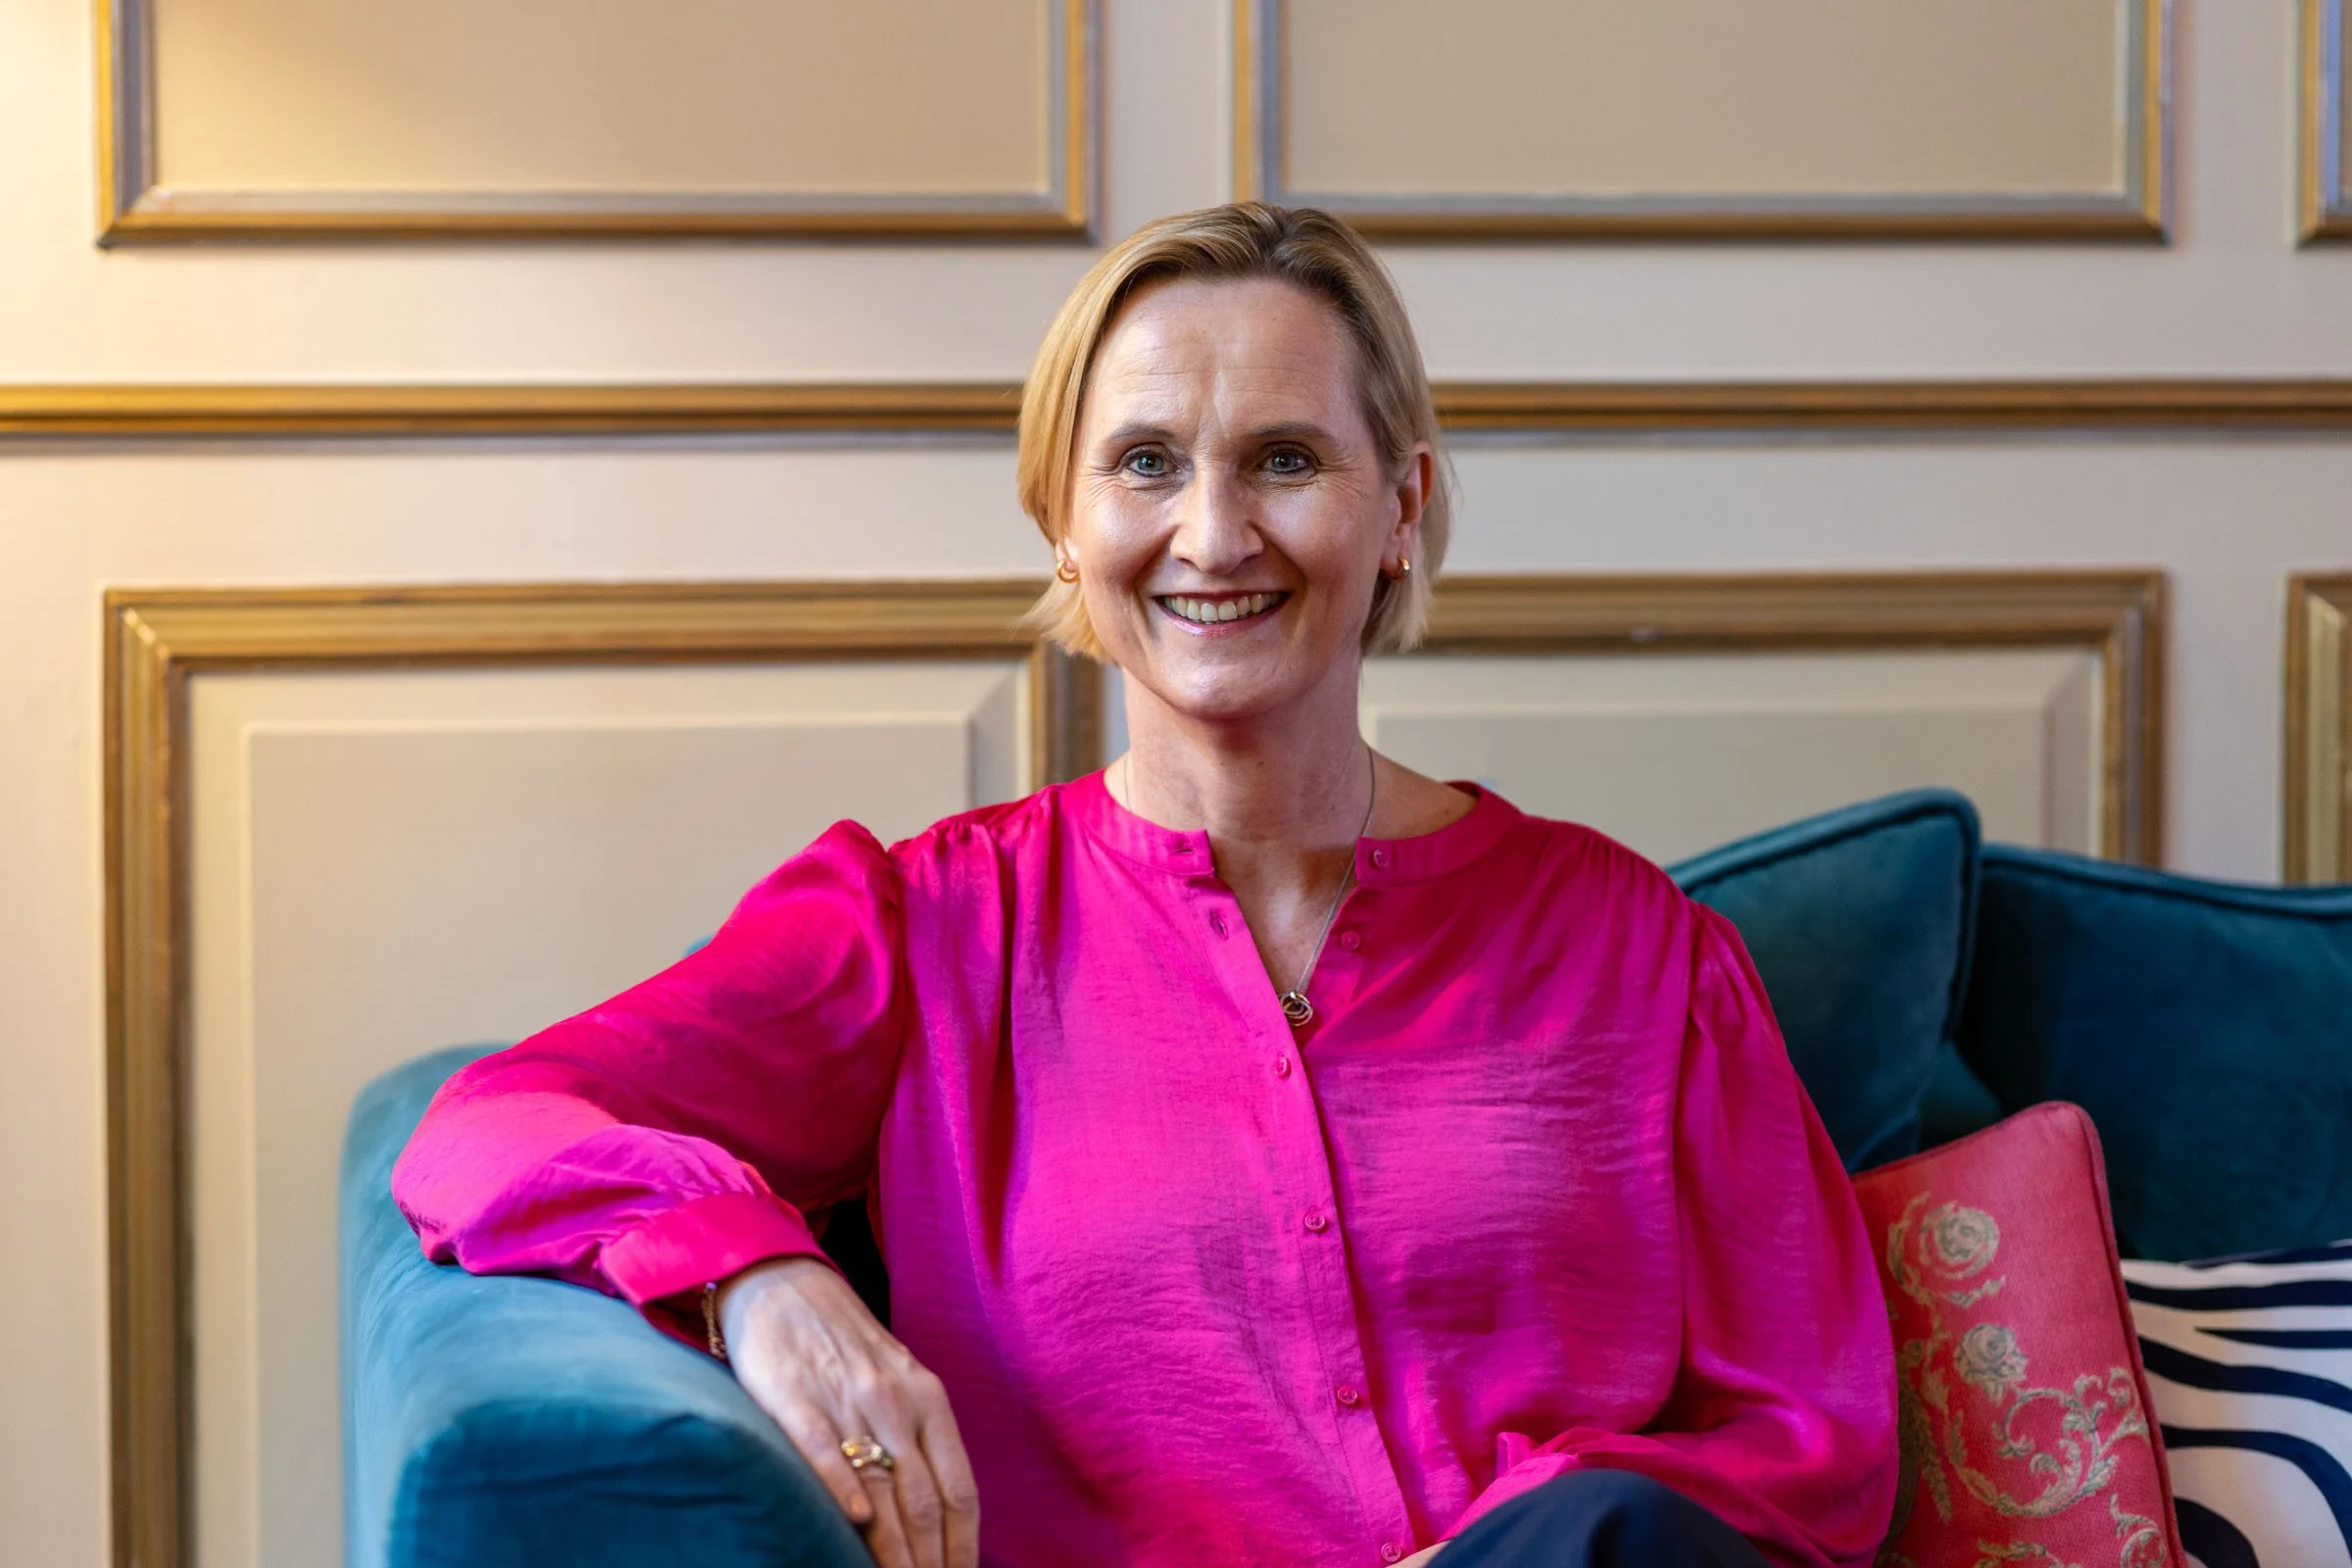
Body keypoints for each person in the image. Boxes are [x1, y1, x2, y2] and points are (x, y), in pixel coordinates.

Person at [392, 202, 1897, 1568]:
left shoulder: (1635, 948)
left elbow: (1815, 1449)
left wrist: (1524, 1535)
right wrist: (755, 1277)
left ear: (1400, 508)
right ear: (1064, 515)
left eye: (1288, 461)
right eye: (1146, 462)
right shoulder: (920, 934)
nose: (1216, 534)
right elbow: (489, 1128)